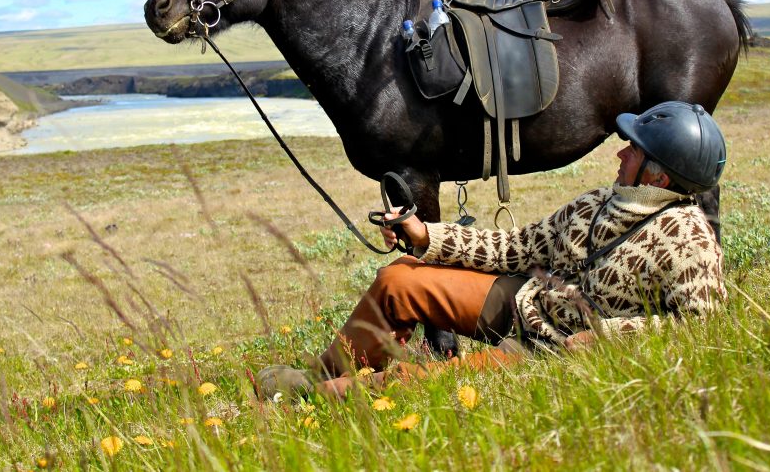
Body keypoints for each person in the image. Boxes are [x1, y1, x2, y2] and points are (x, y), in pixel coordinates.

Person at [258, 101, 728, 398]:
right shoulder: (599, 202)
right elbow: (520, 246)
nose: (620, 154)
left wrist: (608, 337)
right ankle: (323, 375)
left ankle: (320, 400)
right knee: (397, 280)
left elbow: (699, 330)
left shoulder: (689, 241)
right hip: (526, 303)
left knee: (423, 384)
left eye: (633, 150)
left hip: (556, 349)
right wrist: (427, 238)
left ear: (658, 176)